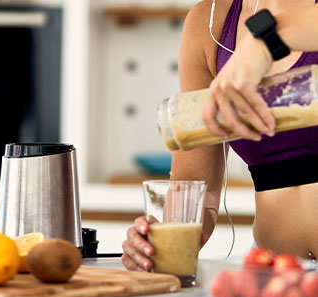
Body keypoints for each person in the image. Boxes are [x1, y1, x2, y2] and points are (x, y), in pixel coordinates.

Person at [122, 0, 318, 272]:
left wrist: (264, 41)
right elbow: (197, 184)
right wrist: (162, 240)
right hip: (270, 273)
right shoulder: (210, 22)